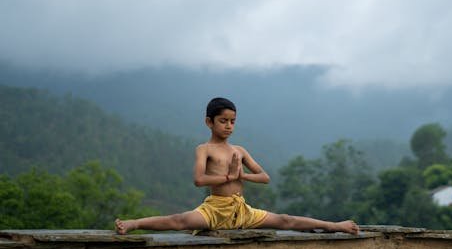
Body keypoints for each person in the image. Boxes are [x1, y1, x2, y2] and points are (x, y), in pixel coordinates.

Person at [115, 97, 359, 235]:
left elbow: (264, 177)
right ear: (209, 122)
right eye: (223, 121)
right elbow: (199, 180)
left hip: (241, 210)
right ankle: (135, 223)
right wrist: (226, 178)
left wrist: (241, 174)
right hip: (215, 209)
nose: (229, 126)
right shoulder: (204, 149)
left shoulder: (239, 150)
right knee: (179, 221)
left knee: (285, 220)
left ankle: (335, 225)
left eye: (232, 121)